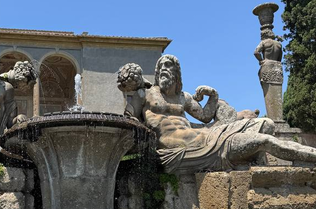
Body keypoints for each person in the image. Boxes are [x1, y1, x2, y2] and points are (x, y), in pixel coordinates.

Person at [117, 54, 316, 172]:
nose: (164, 69)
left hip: (206, 136)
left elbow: (205, 116)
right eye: (160, 67)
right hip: (186, 147)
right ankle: (310, 156)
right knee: (264, 141)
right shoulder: (146, 94)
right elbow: (129, 118)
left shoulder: (184, 97)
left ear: (177, 73)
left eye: (168, 66)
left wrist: (212, 95)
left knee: (266, 124)